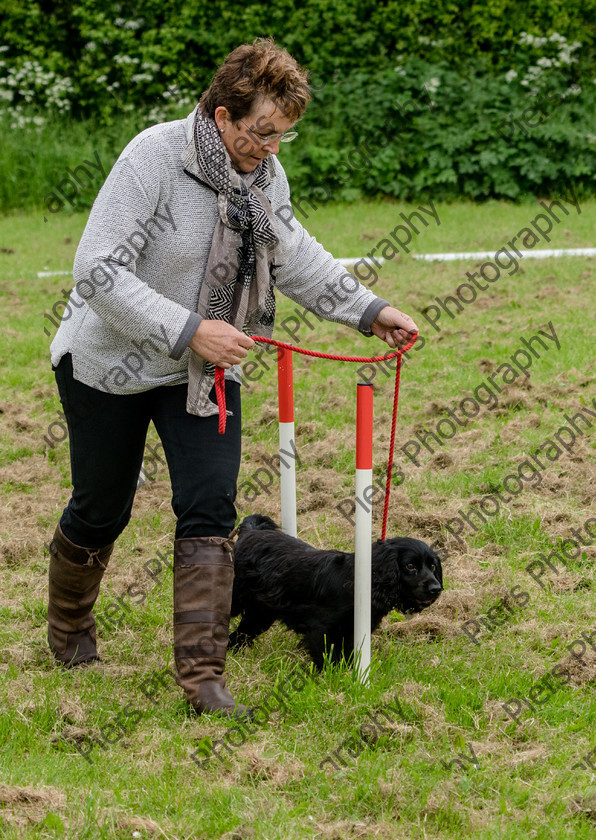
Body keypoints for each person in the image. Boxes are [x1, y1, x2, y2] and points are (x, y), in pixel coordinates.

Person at [46, 37, 418, 719]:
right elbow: (96, 271)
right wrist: (190, 330)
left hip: (204, 372)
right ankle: (69, 626)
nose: (273, 147)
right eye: (262, 132)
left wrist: (369, 310)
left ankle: (203, 679)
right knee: (103, 508)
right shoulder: (152, 157)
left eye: (285, 135)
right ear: (222, 116)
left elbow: (293, 253)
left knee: (210, 511)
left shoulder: (264, 178)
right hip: (110, 363)